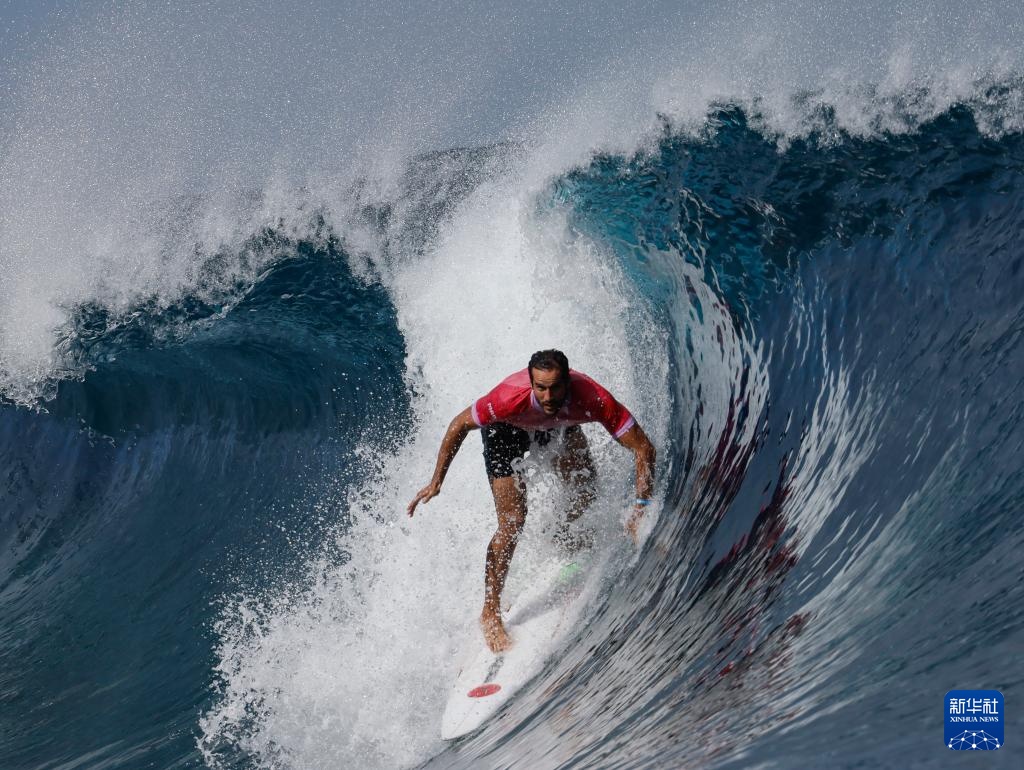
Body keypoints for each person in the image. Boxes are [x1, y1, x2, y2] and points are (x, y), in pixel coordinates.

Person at [407, 349, 656, 653]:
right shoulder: (506, 399)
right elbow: (459, 425)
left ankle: (565, 538)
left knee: (586, 489)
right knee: (512, 522)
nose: (547, 395)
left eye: (555, 387)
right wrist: (437, 481)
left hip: (556, 426)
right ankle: (490, 612)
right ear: (531, 382)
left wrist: (641, 506)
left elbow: (643, 448)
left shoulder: (593, 397)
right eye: (540, 387)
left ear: (568, 382)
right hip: (506, 431)